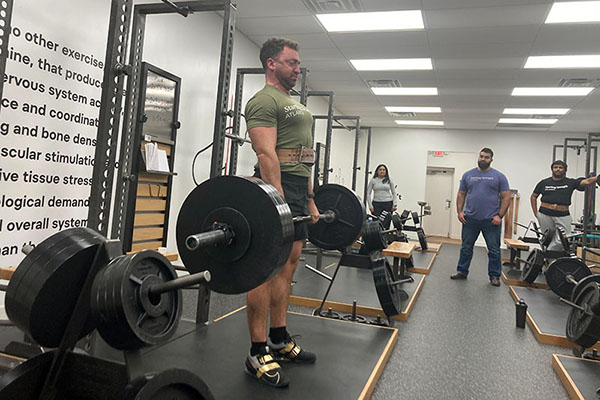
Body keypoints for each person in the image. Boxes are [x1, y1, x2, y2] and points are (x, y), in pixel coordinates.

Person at [243, 38, 317, 388]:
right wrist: (278, 198)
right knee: (264, 269)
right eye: (291, 62)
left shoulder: (295, 104)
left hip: (299, 190)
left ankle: (280, 337)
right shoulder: (263, 100)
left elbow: (306, 157)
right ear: (272, 64)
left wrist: (310, 199)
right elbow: (266, 153)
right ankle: (257, 350)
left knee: (288, 265)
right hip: (277, 188)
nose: (297, 69)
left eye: (298, 63)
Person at [450, 148, 511, 286]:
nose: (483, 159)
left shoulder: (499, 176)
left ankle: (494, 276)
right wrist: (459, 211)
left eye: (487, 157)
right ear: (479, 157)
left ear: (491, 160)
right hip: (470, 219)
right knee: (466, 247)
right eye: (481, 156)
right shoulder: (468, 175)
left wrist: (500, 215)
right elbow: (461, 194)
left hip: (491, 221)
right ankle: (462, 271)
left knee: (494, 250)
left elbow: (507, 197)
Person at [530, 160, 598, 251]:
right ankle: (550, 262)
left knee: (563, 238)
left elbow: (587, 182)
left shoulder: (570, 182)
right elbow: (533, 196)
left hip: (563, 215)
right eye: (555, 167)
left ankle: (549, 253)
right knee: (547, 238)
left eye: (560, 167)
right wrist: (536, 213)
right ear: (552, 169)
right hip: (544, 214)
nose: (558, 169)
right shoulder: (544, 182)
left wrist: (597, 178)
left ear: (565, 170)